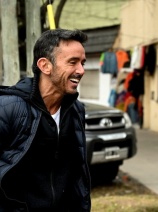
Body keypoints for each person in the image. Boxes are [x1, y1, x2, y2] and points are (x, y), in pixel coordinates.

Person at [0, 29, 91, 211]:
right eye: (72, 62)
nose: (81, 70)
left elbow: (76, 173)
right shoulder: (8, 108)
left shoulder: (76, 110)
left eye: (82, 63)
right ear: (45, 65)